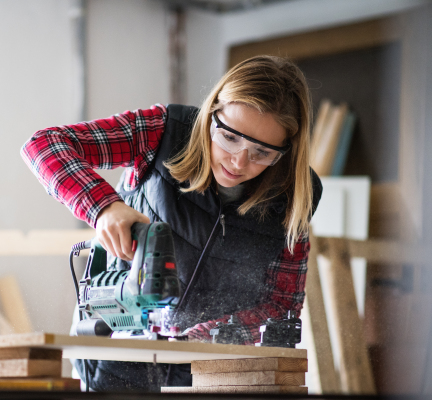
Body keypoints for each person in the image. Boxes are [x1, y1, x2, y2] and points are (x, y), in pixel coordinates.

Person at [21, 55, 322, 391]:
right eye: (230, 138)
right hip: (118, 349)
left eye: (262, 153)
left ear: (285, 151)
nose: (239, 162)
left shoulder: (294, 194)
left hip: (209, 371)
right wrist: (103, 207)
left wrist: (197, 338)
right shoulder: (163, 132)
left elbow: (279, 306)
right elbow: (44, 146)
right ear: (212, 113)